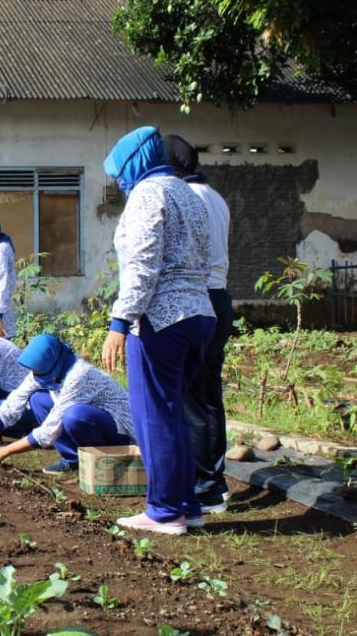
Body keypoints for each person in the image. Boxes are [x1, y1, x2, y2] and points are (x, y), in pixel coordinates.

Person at [100, 127, 216, 536]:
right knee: (174, 415)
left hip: (160, 318)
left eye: (119, 171)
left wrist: (120, 321)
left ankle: (165, 511)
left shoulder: (148, 194)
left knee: (153, 417)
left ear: (135, 164)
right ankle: (188, 504)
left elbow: (143, 264)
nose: (118, 181)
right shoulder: (188, 192)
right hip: (199, 313)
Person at [164, 134, 233, 513]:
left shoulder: (188, 199)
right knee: (206, 397)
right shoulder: (215, 197)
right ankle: (213, 482)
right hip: (218, 296)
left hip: (200, 298)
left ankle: (206, 486)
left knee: (193, 399)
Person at [0, 334, 135, 476]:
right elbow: (16, 398)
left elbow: (48, 431)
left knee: (74, 416)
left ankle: (104, 462)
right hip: (98, 420)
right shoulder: (46, 370)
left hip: (121, 429)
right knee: (38, 399)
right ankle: (72, 460)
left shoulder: (79, 375)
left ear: (54, 362)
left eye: (37, 371)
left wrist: (5, 450)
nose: (34, 375)